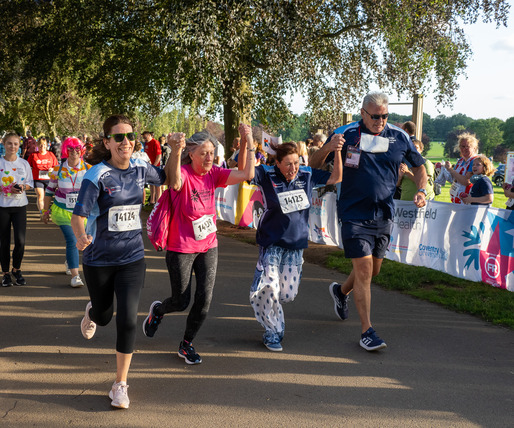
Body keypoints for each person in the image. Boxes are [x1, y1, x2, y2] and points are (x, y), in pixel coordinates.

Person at [313, 91, 427, 352]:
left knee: (373, 271)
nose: (380, 121)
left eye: (385, 116)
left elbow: (420, 166)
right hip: (353, 213)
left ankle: (341, 292)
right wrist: (329, 148)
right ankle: (367, 331)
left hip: (384, 214)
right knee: (364, 272)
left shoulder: (399, 137)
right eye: (375, 116)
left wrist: (420, 190)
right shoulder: (346, 134)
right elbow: (315, 164)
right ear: (363, 113)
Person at [71, 115, 167, 409]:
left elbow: (168, 178)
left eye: (129, 136)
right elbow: (79, 215)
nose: (126, 142)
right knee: (103, 316)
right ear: (107, 142)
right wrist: (80, 238)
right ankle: (92, 311)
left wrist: (177, 150)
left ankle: (120, 384)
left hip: (132, 258)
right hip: (99, 259)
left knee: (127, 320)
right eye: (119, 137)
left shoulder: (141, 168)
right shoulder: (96, 175)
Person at [142, 125, 255, 364]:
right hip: (180, 248)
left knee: (204, 300)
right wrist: (175, 149)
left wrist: (247, 141)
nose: (209, 157)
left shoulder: (214, 173)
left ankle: (186, 344)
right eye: (203, 153)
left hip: (208, 245)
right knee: (181, 301)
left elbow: (246, 173)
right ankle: (158, 311)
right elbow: (172, 180)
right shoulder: (182, 174)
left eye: (212, 153)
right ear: (191, 154)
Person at [247, 141, 342, 351]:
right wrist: (248, 144)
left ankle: (265, 297)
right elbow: (246, 173)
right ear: (277, 163)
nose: (293, 168)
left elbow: (336, 178)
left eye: (296, 163)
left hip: (296, 244)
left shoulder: (306, 175)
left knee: (287, 294)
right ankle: (272, 332)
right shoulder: (266, 174)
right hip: (271, 242)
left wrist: (337, 152)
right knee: (269, 289)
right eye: (288, 164)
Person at [0, 132, 34, 287]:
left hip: (19, 207)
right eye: (9, 143)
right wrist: (5, 188)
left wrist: (21, 187)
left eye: (16, 144)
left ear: (19, 146)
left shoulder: (24, 164)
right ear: (3, 145)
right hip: (2, 207)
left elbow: (30, 184)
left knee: (20, 241)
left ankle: (16, 270)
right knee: (4, 242)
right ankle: (5, 273)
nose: (13, 147)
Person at [42, 137, 91, 288]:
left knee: (83, 242)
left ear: (81, 150)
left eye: (77, 149)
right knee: (73, 240)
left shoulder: (89, 169)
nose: (74, 152)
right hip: (63, 211)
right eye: (70, 149)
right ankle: (76, 277)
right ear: (66, 150)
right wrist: (45, 210)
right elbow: (49, 191)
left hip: (83, 212)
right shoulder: (58, 169)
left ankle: (70, 261)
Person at [445, 132, 479, 204]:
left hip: (468, 201)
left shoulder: (475, 161)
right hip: (457, 200)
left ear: (474, 148)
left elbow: (466, 181)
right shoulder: (460, 160)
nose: (465, 149)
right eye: (462, 146)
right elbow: (455, 179)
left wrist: (451, 170)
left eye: (468, 146)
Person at [27, 137, 58, 213]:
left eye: (44, 145)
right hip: (37, 179)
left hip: (49, 179)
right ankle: (42, 212)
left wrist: (52, 169)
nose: (42, 147)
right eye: (40, 145)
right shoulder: (33, 155)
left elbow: (57, 167)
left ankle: (46, 210)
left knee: (47, 197)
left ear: (47, 145)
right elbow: (27, 166)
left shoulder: (51, 155)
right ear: (37, 145)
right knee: (41, 196)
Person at [142, 131, 162, 204]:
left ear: (149, 135)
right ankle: (152, 200)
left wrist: (154, 165)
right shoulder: (146, 143)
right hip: (148, 166)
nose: (144, 138)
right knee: (151, 184)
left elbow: (159, 155)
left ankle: (158, 201)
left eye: (145, 137)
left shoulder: (155, 142)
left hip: (156, 166)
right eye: (143, 137)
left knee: (157, 184)